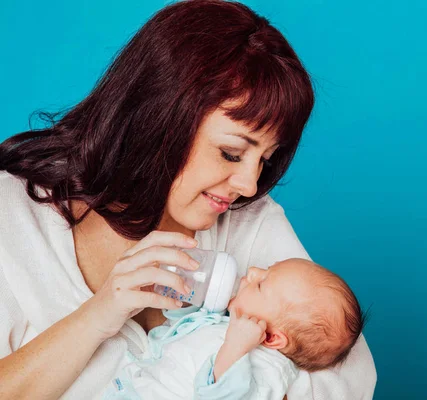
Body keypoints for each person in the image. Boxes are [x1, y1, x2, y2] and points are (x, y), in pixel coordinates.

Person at [0, 1, 376, 399]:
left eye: (264, 159)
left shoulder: (248, 220)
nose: (249, 185)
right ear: (157, 117)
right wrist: (99, 315)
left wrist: (245, 382)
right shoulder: (13, 218)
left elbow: (347, 376)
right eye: (232, 153)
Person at [102, 258, 366, 399]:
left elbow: (223, 394)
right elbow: (184, 329)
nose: (252, 270)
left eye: (262, 283)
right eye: (266, 268)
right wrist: (185, 300)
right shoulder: (228, 322)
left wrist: (236, 347)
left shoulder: (268, 370)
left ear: (272, 338)